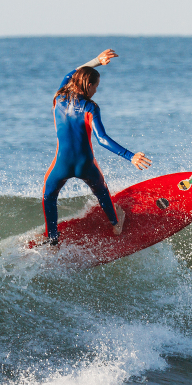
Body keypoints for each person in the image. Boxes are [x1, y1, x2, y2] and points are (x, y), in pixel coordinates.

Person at [42, 49, 152, 245]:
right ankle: (116, 224)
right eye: (96, 86)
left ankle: (53, 241)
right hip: (86, 164)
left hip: (61, 164)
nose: (96, 91)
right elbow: (102, 139)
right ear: (89, 85)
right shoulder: (90, 107)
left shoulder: (58, 98)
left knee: (49, 196)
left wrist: (96, 61)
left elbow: (69, 74)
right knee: (101, 192)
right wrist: (130, 156)